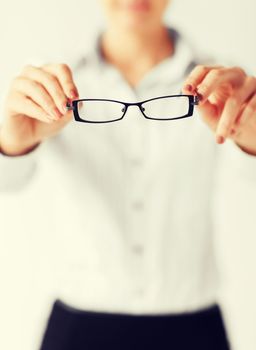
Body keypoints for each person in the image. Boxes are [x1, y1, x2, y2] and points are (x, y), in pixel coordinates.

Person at [0, 0, 256, 349]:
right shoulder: (47, 82)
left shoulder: (225, 86)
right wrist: (13, 142)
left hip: (194, 330)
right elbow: (9, 182)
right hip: (79, 330)